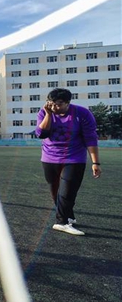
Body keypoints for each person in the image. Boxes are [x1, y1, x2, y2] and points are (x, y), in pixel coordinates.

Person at [36, 88, 101, 236]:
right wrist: (48, 114)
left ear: (67, 103)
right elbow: (41, 133)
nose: (54, 107)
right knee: (56, 193)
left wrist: (95, 163)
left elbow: (90, 138)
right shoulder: (45, 112)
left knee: (67, 191)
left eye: (58, 104)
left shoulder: (82, 114)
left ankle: (61, 222)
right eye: (51, 103)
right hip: (49, 158)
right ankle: (68, 215)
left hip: (74, 158)